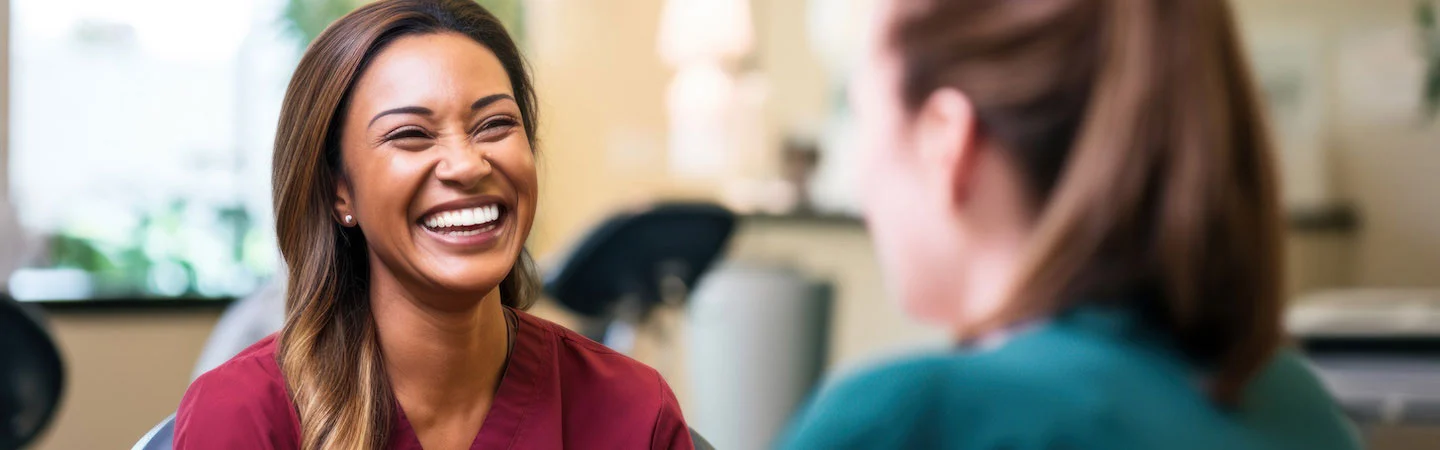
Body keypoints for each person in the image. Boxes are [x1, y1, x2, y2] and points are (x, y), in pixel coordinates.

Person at [779, 0, 1362, 449]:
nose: (859, 178)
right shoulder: (1299, 408)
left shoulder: (909, 420)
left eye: (861, 115)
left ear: (944, 141)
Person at [174, 1, 693, 448]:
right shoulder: (245, 416)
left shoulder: (633, 412)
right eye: (411, 135)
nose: (467, 165)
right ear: (339, 190)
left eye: (495, 125)